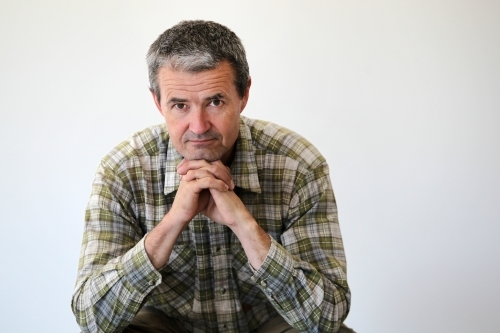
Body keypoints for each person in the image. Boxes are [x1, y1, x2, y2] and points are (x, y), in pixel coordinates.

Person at [72, 20, 353, 333]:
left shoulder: (297, 164)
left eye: (215, 102)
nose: (198, 126)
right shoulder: (123, 170)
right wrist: (173, 222)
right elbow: (93, 319)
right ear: (157, 102)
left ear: (244, 93)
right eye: (179, 105)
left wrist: (244, 225)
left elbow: (327, 316)